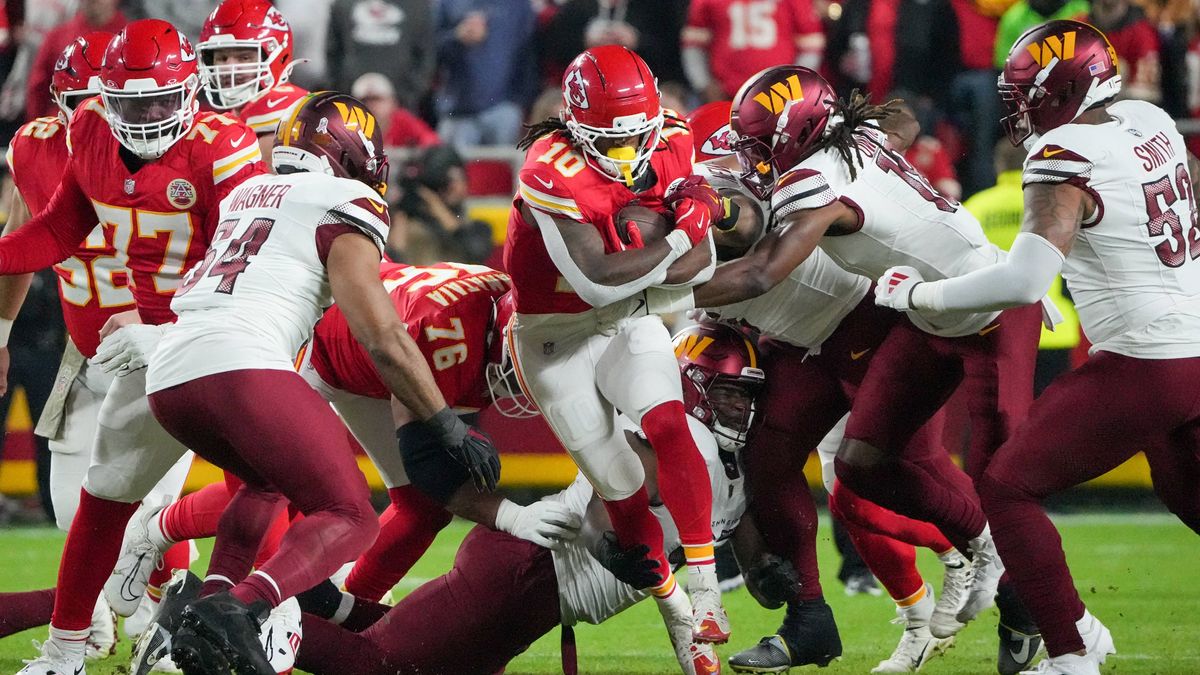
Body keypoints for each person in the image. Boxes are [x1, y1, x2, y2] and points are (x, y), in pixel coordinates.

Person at [874, 20, 1200, 675]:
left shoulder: (1062, 151)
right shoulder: (1147, 117)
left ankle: (1074, 649)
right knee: (1186, 488)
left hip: (1146, 355)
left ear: (1068, 87)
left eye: (1028, 91)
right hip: (1190, 339)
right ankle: (1079, 638)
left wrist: (919, 297)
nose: (1018, 107)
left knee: (1006, 486)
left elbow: (1025, 280)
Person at [133, 91, 500, 674]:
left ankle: (203, 608)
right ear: (351, 152)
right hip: (241, 360)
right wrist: (445, 423)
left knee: (261, 487)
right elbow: (381, 334)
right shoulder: (346, 198)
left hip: (172, 372)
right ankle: (243, 608)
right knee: (349, 511)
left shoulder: (247, 191)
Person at [697, 65, 1047, 668]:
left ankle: (1041, 613)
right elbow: (905, 118)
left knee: (987, 479)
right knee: (815, 465)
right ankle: (815, 618)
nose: (751, 158)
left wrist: (656, 289)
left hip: (945, 310)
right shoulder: (845, 140)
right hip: (893, 313)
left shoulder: (813, 180)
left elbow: (758, 266)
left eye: (762, 143)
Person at [0, 19, 266, 675]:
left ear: (190, 89)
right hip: (143, 353)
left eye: (157, 100)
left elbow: (242, 269)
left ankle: (259, 622)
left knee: (273, 490)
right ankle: (66, 651)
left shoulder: (223, 146)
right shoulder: (88, 126)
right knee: (99, 499)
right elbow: (61, 226)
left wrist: (165, 332)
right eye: (129, 102)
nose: (144, 116)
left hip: (226, 343)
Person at [291, 320, 760, 675]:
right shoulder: (685, 440)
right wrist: (624, 558)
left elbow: (739, 546)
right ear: (690, 382)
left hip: (532, 583)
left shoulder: (729, 467)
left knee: (419, 654)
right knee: (378, 664)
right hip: (529, 571)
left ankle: (327, 606)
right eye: (728, 394)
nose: (740, 408)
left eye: (745, 396)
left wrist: (772, 575)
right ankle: (239, 621)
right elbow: (608, 511)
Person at [504, 44, 729, 655]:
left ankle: (707, 591)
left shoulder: (674, 136)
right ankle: (677, 608)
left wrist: (676, 247)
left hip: (628, 317)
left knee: (668, 423)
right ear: (576, 127)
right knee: (622, 490)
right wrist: (683, 228)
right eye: (613, 142)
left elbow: (702, 267)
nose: (630, 157)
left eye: (640, 139)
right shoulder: (549, 168)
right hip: (554, 337)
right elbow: (595, 277)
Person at [197, 0, 310, 161]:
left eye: (244, 57)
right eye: (222, 58)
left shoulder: (291, 114)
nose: (229, 68)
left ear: (276, 56)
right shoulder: (227, 118)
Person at [681, 0, 824, 102]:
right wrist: (703, 83)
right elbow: (694, 45)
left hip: (778, 91)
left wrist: (793, 84)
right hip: (725, 91)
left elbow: (811, 45)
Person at [24, 0, 126, 120]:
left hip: (120, 127)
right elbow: (38, 90)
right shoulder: (56, 38)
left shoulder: (130, 41)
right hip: (63, 126)